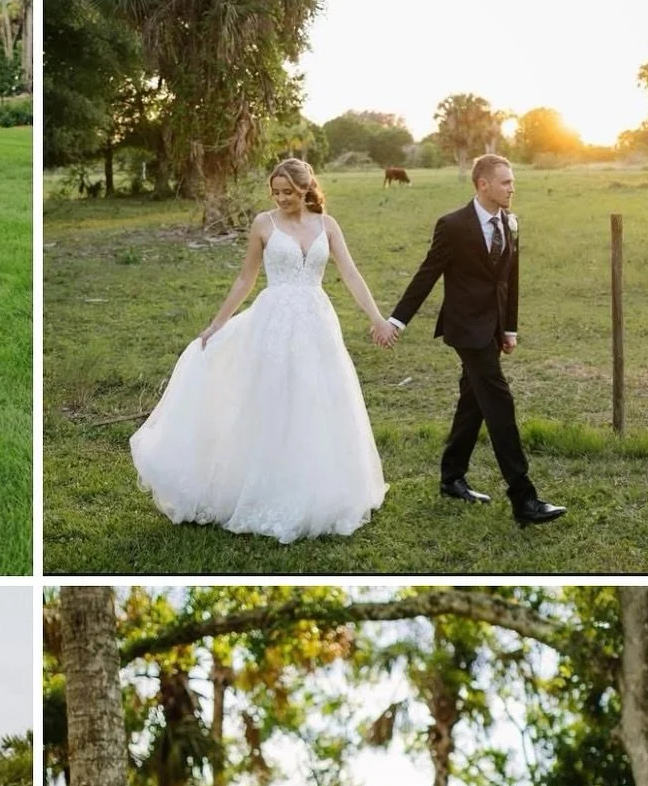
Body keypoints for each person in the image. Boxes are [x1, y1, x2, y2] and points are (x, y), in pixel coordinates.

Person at [129, 158, 388, 542]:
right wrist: (217, 323)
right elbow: (246, 277)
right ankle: (258, 485)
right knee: (270, 401)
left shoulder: (326, 226)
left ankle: (315, 487)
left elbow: (349, 272)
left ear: (306, 188)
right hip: (273, 322)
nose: (282, 198)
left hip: (316, 321)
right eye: (276, 192)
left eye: (289, 192)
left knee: (315, 399)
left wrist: (377, 318)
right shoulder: (263, 225)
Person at [381, 155, 566, 525]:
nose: (513, 188)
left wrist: (509, 328)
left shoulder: (511, 223)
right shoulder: (453, 225)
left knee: (474, 401)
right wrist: (397, 320)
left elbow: (510, 281)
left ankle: (452, 477)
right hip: (465, 329)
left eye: (513, 182)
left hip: (493, 328)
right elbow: (427, 275)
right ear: (483, 185)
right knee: (498, 400)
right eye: (506, 182)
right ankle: (523, 498)